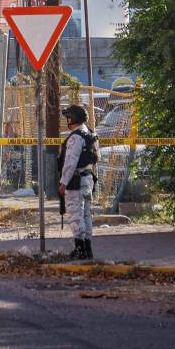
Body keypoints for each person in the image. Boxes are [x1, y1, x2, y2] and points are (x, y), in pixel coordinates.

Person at [57, 104, 99, 260]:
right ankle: (88, 250)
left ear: (73, 118)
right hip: (88, 178)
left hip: (76, 180)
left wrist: (63, 183)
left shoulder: (76, 137)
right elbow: (96, 157)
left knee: (75, 214)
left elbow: (70, 162)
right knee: (86, 215)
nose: (67, 120)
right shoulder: (91, 134)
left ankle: (80, 250)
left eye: (69, 117)